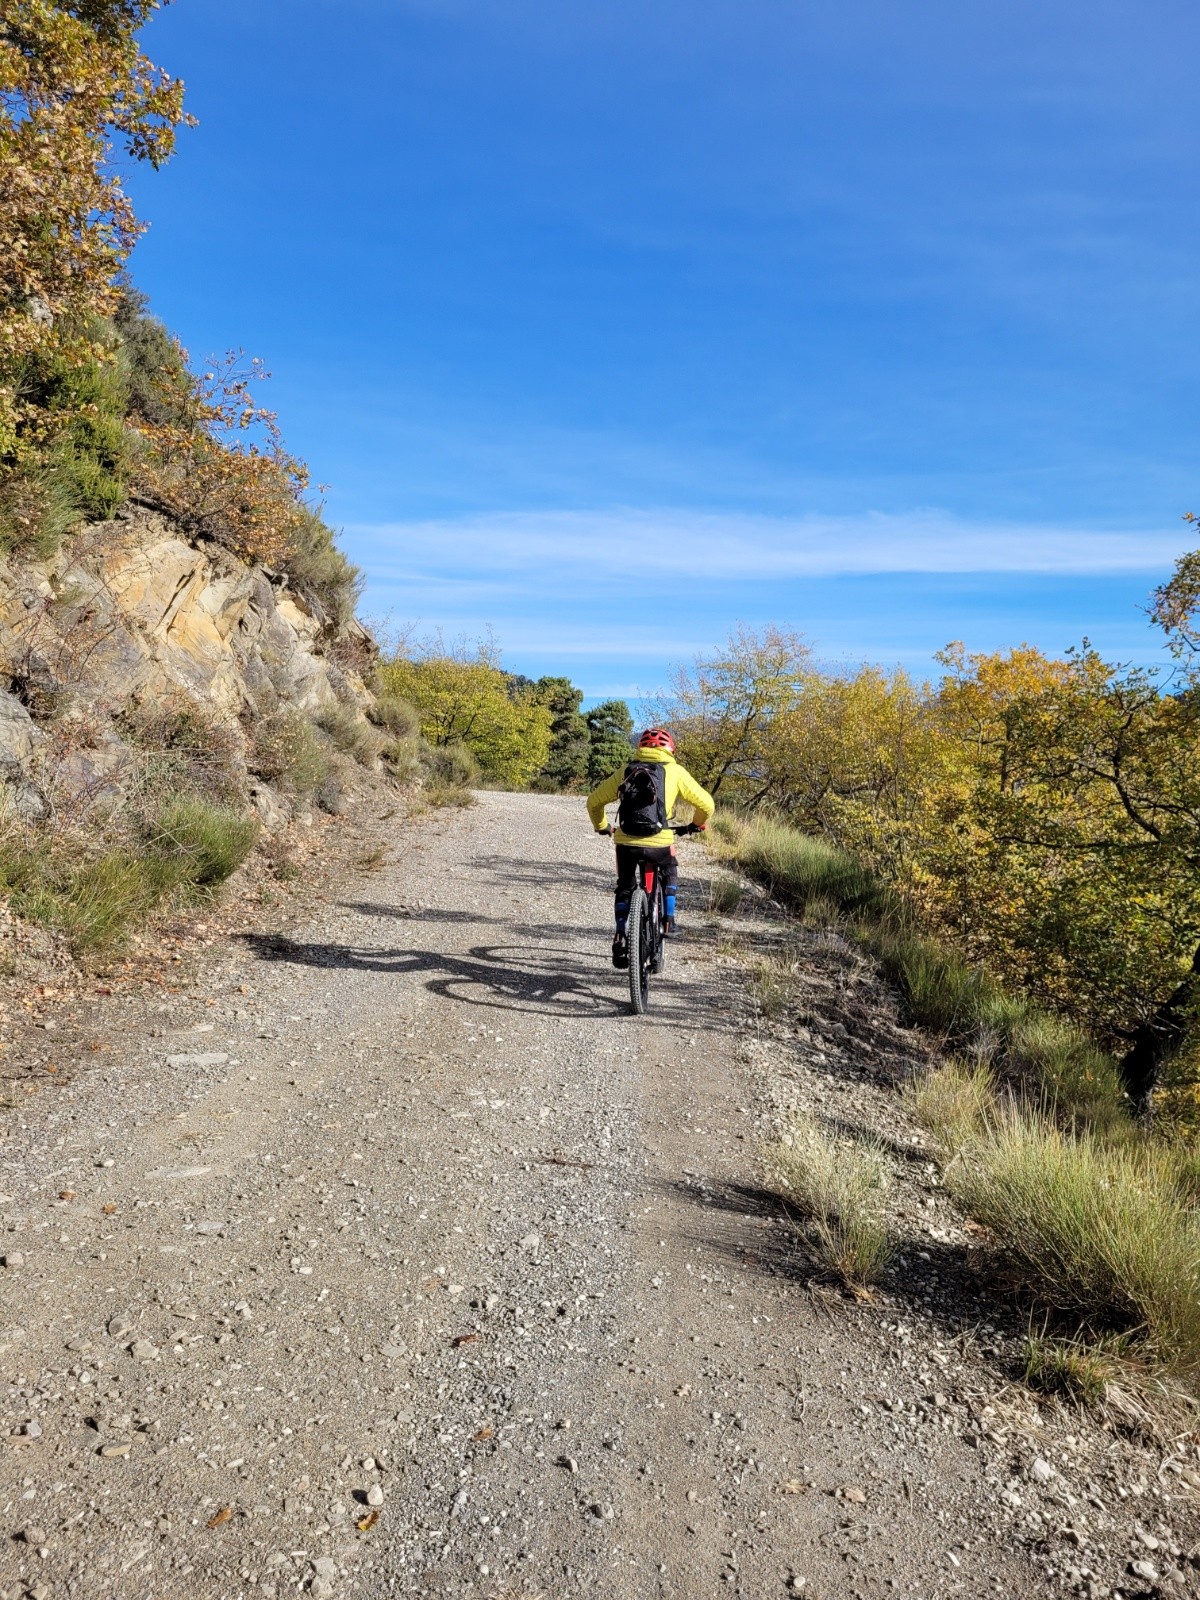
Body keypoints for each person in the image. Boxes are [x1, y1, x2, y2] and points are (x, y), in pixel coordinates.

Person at [586, 728, 715, 969]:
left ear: (641, 748)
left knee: (625, 887)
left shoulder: (626, 771)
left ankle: (620, 934)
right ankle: (668, 920)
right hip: (659, 842)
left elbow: (594, 802)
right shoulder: (675, 771)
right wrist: (696, 824)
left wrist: (603, 826)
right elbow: (707, 804)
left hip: (626, 843)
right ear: (670, 749)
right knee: (669, 868)